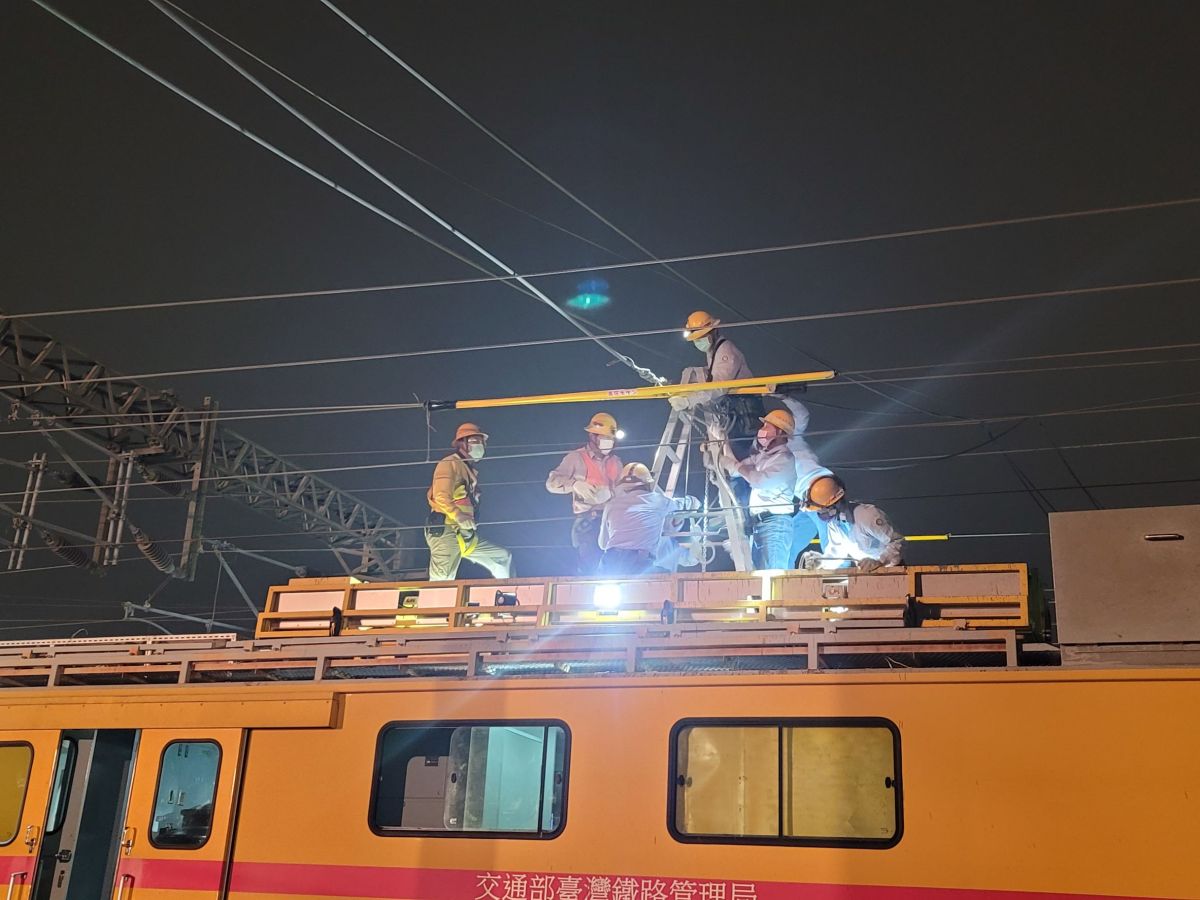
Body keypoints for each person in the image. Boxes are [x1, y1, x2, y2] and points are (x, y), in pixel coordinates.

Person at [669, 310, 764, 465]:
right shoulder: (714, 351)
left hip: (745, 409)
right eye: (696, 339)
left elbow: (720, 385)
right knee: (736, 453)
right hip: (735, 407)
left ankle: (748, 478)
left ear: (713, 332)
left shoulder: (726, 351)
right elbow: (714, 375)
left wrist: (689, 400)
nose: (698, 342)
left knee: (744, 456)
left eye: (701, 338)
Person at [425, 423, 512, 581]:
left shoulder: (467, 469)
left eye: (480, 442)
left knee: (501, 557)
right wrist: (458, 515)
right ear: (462, 444)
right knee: (442, 580)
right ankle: (436, 598)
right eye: (474, 441)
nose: (479, 446)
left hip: (465, 534)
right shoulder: (450, 463)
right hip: (447, 530)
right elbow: (440, 496)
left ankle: (507, 594)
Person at [545, 412, 624, 575]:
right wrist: (574, 484)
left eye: (611, 438)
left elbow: (623, 490)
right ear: (592, 436)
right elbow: (551, 483)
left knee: (615, 567)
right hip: (589, 521)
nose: (609, 442)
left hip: (612, 521)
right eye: (605, 438)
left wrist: (611, 493)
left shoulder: (615, 462)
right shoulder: (576, 458)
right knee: (590, 567)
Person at [718, 408, 797, 570]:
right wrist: (722, 440)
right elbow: (736, 470)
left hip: (775, 525)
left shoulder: (784, 459)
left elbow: (758, 481)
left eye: (767, 426)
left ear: (779, 432)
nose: (762, 430)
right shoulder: (763, 457)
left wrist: (735, 465)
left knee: (771, 577)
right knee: (759, 577)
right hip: (761, 525)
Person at [598, 463, 699, 576]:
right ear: (648, 483)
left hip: (609, 562)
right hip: (639, 562)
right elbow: (689, 504)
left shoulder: (611, 505)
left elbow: (603, 544)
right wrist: (694, 502)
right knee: (666, 578)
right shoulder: (658, 501)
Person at [797, 474, 903, 572]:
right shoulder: (835, 523)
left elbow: (898, 542)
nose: (820, 514)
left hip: (891, 572)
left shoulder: (867, 515)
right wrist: (822, 561)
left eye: (821, 510)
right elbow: (837, 553)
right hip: (866, 574)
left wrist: (880, 561)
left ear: (835, 503)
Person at [779, 394, 835, 567]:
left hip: (823, 493)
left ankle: (839, 578)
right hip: (807, 503)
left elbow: (802, 414)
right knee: (788, 544)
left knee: (832, 543)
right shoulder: (769, 453)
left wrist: (781, 395)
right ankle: (783, 580)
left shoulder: (792, 436)